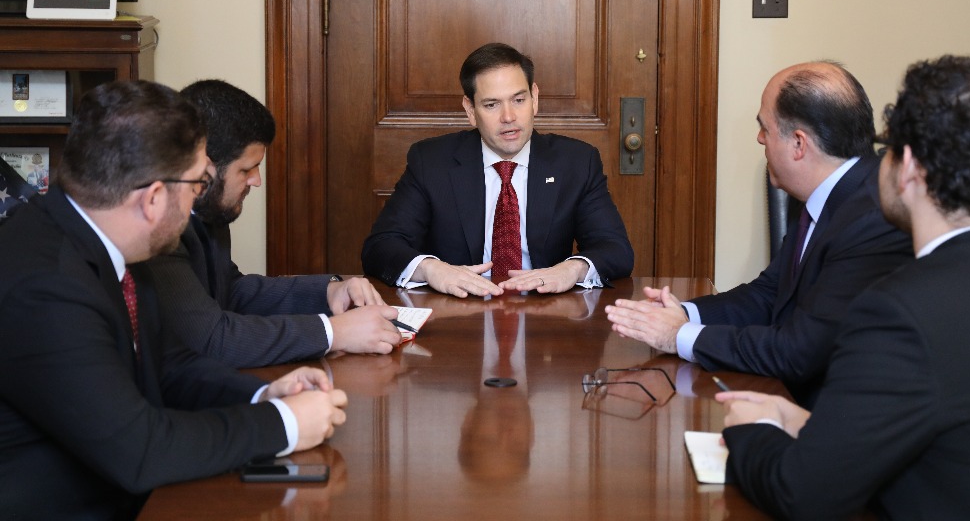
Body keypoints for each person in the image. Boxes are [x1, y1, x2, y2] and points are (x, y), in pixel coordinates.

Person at [717, 56, 970, 520]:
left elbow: (801, 493)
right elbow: (968, 446)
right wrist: (808, 425)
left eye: (884, 149)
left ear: (907, 167)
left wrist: (753, 429)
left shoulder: (896, 311)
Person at [0, 80, 348, 520]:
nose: (198, 199)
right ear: (153, 199)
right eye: (198, 182)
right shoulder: (46, 287)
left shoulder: (111, 239)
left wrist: (264, 395)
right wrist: (285, 424)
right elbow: (141, 449)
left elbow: (169, 366)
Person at [606, 62, 911, 407]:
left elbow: (798, 352)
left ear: (799, 144)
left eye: (765, 128)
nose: (760, 138)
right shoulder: (827, 192)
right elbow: (770, 294)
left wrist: (679, 336)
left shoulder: (873, 219)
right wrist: (684, 313)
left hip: (832, 416)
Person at [139, 79, 401, 367]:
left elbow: (231, 291)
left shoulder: (212, 208)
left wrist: (329, 291)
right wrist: (334, 332)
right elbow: (213, 340)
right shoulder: (157, 229)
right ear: (206, 167)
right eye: (247, 169)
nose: (257, 181)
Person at [362, 42, 633, 298]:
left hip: (545, 313)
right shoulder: (431, 162)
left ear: (534, 98)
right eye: (492, 104)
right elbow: (381, 246)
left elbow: (615, 249)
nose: (508, 117)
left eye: (518, 100)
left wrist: (571, 270)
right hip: (460, 313)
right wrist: (432, 269)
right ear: (470, 109)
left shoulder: (576, 162)